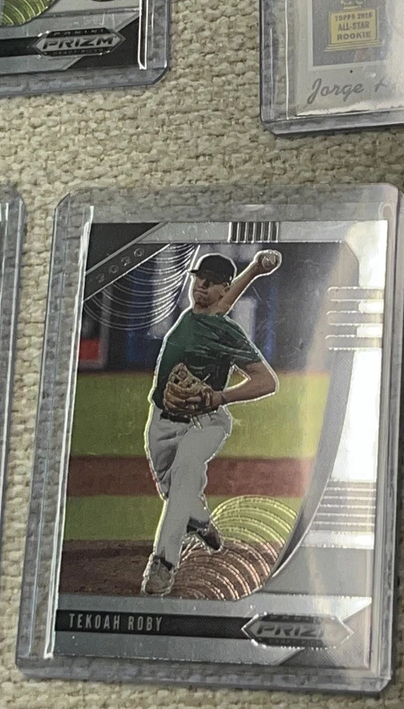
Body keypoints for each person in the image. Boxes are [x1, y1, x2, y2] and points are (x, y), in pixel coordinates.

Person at [141, 250, 281, 596]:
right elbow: (225, 300)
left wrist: (221, 397)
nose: (200, 286)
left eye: (210, 282)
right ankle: (201, 522)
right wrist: (255, 268)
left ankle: (163, 565)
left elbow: (267, 381)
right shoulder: (201, 314)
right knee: (174, 492)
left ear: (222, 288)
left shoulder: (227, 332)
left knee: (185, 476)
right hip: (160, 423)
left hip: (205, 423)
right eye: (198, 279)